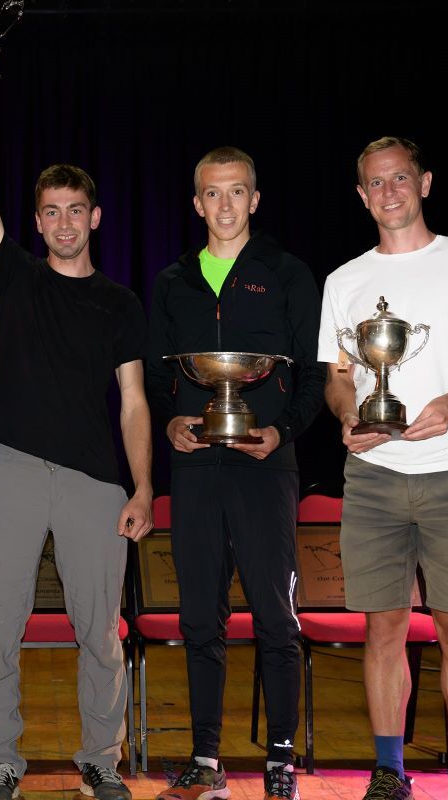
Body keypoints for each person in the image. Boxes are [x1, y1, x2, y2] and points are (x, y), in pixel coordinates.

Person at [0, 40, 154, 800]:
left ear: (95, 216)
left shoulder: (121, 304)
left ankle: (100, 755)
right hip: (8, 472)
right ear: (36, 220)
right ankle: (4, 759)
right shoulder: (17, 278)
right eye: (51, 212)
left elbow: (134, 401)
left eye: (77, 211)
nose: (64, 223)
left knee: (100, 632)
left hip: (96, 484)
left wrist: (140, 489)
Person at [319, 136, 448, 800]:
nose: (389, 192)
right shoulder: (344, 281)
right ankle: (389, 770)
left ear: (425, 182)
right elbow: (338, 379)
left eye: (400, 178)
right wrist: (351, 416)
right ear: (360, 196)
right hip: (374, 480)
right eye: (375, 183)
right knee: (383, 629)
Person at [145, 147, 322, 800]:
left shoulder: (286, 273)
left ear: (255, 199)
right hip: (195, 469)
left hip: (265, 465)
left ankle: (280, 762)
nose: (224, 205)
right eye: (212, 194)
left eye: (236, 192)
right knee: (200, 619)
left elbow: (312, 370)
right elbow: (160, 374)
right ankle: (206, 760)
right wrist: (170, 420)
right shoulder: (172, 281)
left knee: (276, 616)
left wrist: (284, 430)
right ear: (197, 204)